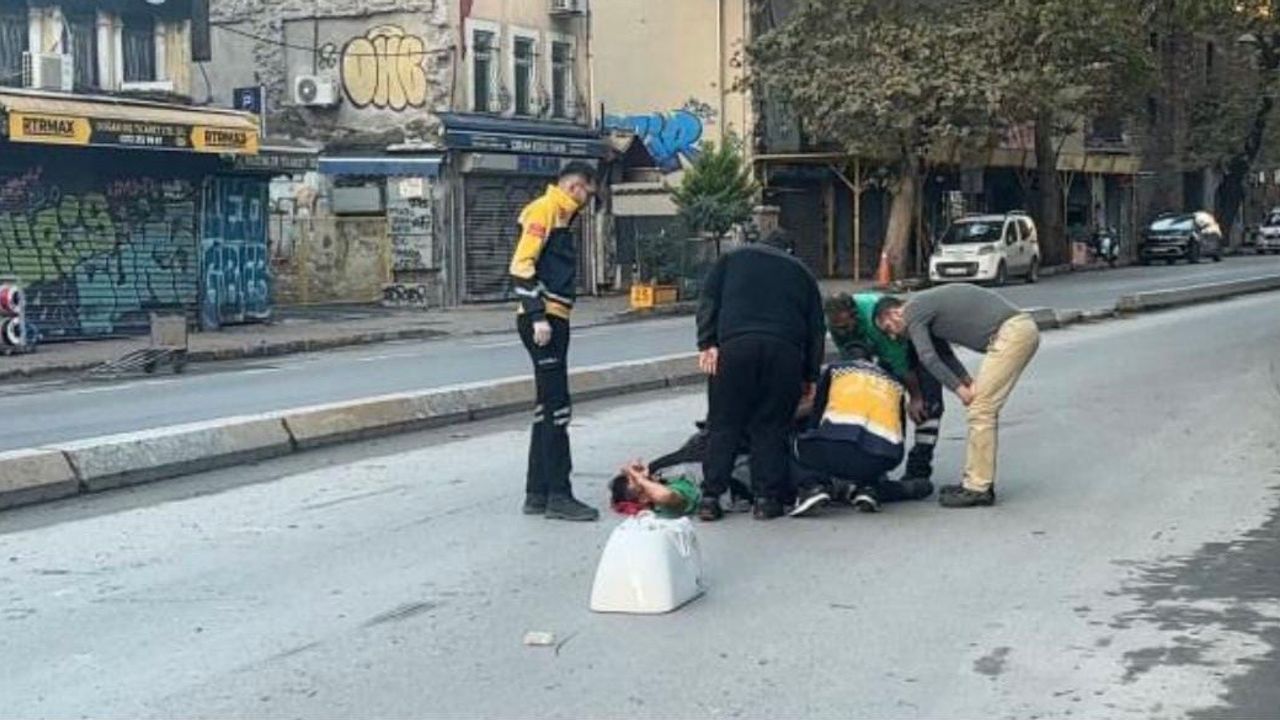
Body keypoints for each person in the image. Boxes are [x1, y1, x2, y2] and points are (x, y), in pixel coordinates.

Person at [696, 229, 826, 521]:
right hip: (784, 353)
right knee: (770, 426)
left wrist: (706, 344)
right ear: (789, 251)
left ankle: (710, 497)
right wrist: (810, 376)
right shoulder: (802, 273)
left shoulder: (730, 259)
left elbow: (708, 303)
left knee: (723, 423)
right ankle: (766, 500)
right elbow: (816, 329)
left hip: (735, 348)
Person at [873, 284, 1040, 508]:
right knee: (981, 407)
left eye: (888, 328)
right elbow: (944, 354)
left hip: (1010, 334)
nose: (892, 336)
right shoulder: (923, 309)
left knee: (981, 409)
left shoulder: (913, 311)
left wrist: (960, 391)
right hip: (1015, 331)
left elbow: (928, 358)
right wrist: (966, 381)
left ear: (895, 312)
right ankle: (974, 482)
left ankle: (978, 488)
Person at [510, 162, 599, 521]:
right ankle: (559, 495)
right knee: (557, 408)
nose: (587, 202)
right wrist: (537, 316)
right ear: (575, 187)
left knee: (545, 407)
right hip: (544, 320)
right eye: (587, 194)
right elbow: (521, 264)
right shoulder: (545, 210)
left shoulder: (561, 215)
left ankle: (537, 493)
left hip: (552, 317)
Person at [824, 292, 943, 486]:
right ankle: (879, 463)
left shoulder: (877, 321)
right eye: (837, 328)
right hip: (881, 351)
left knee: (928, 408)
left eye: (846, 326)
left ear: (855, 315)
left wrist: (916, 397)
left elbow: (902, 365)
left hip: (914, 344)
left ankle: (919, 469)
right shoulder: (833, 321)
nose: (842, 331)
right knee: (886, 405)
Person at [788, 359, 931, 517]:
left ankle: (812, 486)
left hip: (835, 448)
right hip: (885, 456)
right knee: (870, 443)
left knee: (790, 440)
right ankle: (869, 488)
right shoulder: (893, 383)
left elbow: (816, 415)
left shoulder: (835, 370)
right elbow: (899, 433)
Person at [609, 461, 702, 518]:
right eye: (638, 482)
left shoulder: (660, 477)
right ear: (643, 499)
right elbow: (666, 496)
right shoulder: (667, 502)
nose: (643, 476)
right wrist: (640, 478)